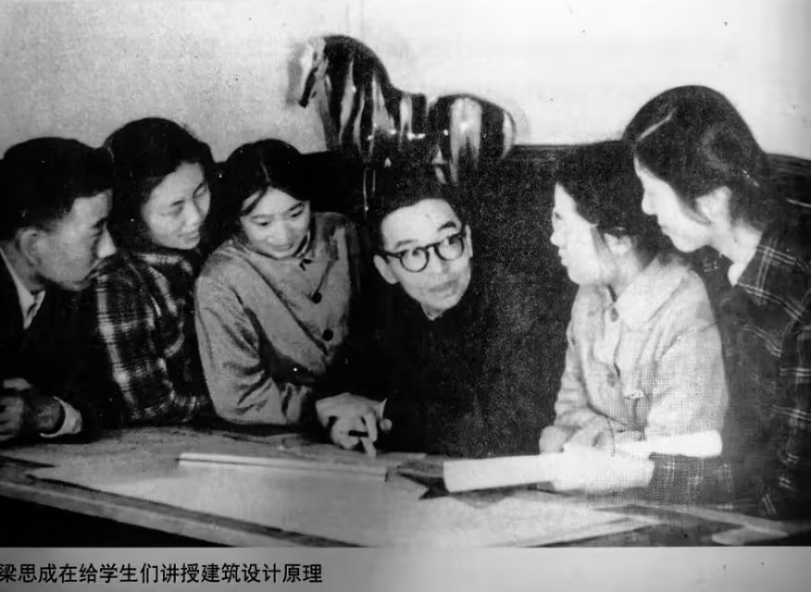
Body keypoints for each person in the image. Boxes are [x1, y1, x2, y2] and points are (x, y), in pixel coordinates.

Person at [622, 85, 811, 518]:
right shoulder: (713, 258)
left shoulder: (801, 295)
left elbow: (789, 495)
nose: (645, 208)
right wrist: (636, 470)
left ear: (712, 200)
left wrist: (643, 475)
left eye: (653, 191)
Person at [318, 166, 566, 457]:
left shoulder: (521, 307)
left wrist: (383, 411)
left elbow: (504, 432)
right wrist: (338, 419)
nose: (438, 268)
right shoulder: (390, 307)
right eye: (412, 253)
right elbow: (337, 388)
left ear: (468, 241)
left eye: (449, 241)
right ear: (387, 270)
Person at [540, 140, 727, 453]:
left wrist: (596, 440)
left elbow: (673, 459)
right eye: (554, 219)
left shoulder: (686, 313)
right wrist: (625, 444)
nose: (554, 238)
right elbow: (566, 418)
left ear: (619, 239)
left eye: (565, 224)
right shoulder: (589, 295)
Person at [195, 139, 367, 426]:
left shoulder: (343, 232)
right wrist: (321, 409)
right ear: (238, 219)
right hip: (284, 427)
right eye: (263, 223)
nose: (284, 235)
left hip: (368, 403)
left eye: (296, 213)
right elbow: (238, 398)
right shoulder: (219, 281)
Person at [84, 118, 214, 426]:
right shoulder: (120, 285)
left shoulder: (191, 247)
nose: (195, 216)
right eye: (174, 208)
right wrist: (243, 397)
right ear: (132, 214)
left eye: (201, 192)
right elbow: (154, 408)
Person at [0, 137, 117, 443]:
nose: (109, 249)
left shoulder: (70, 292)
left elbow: (107, 402)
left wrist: (49, 414)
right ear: (33, 246)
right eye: (96, 230)